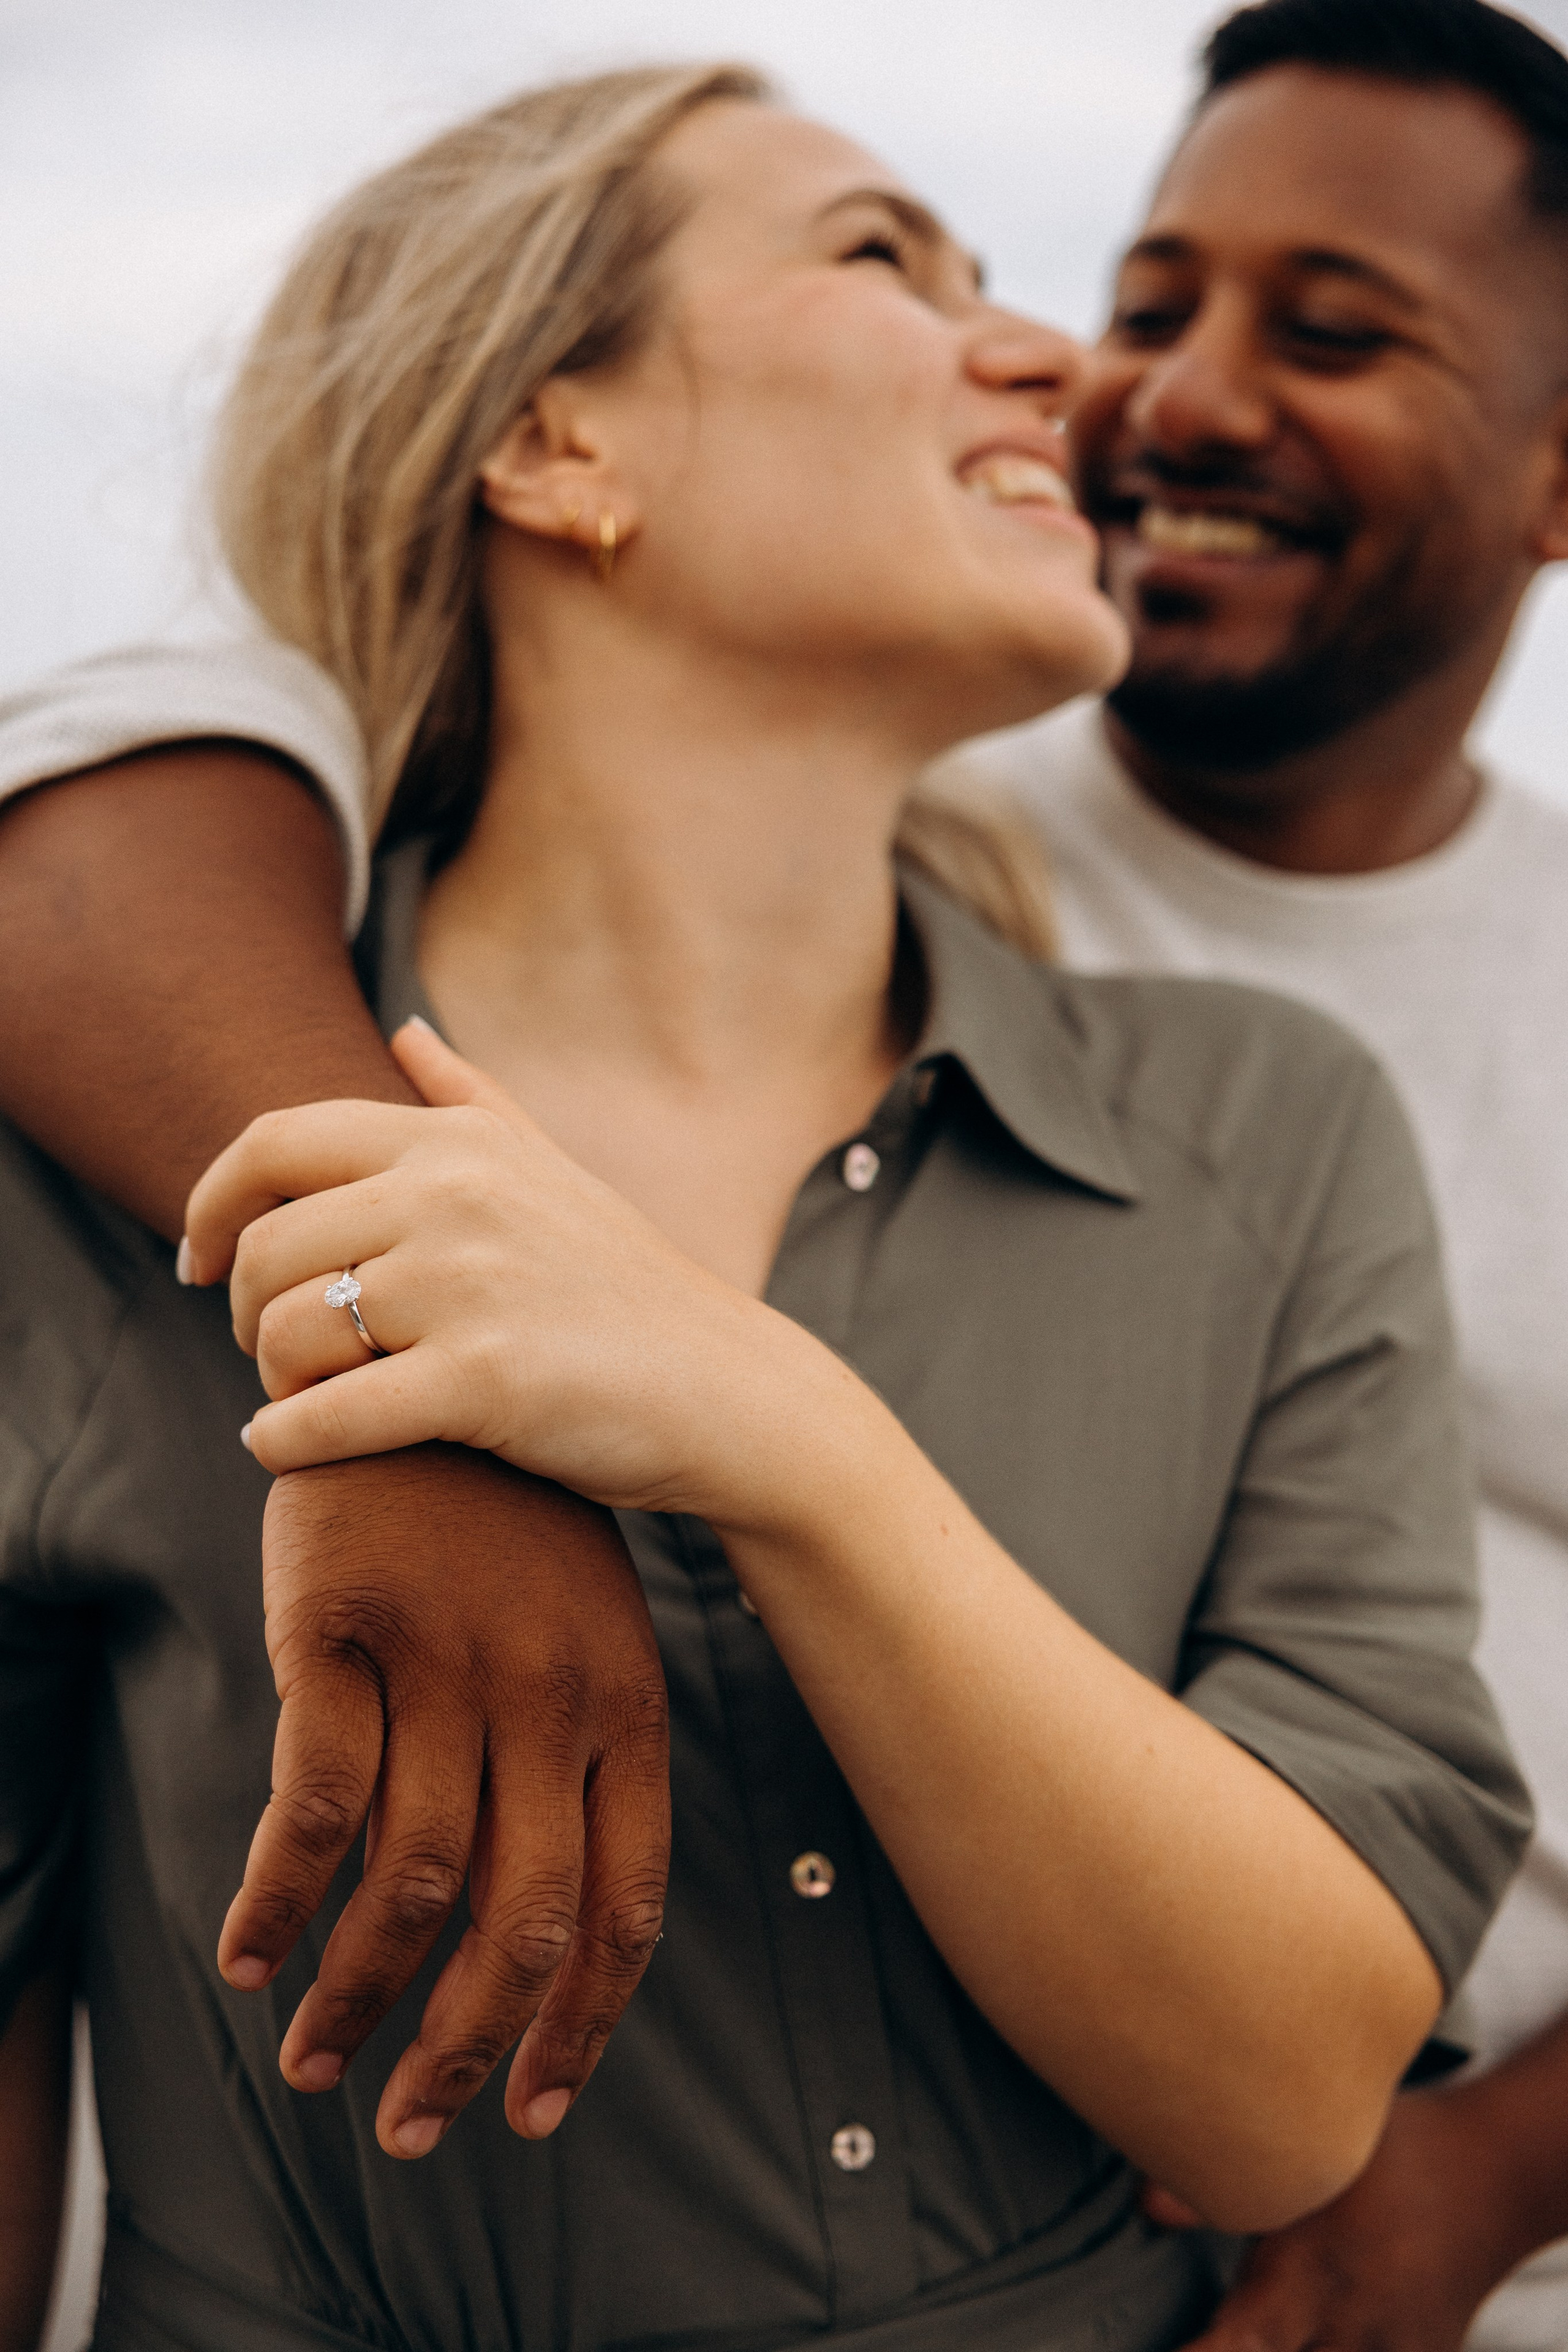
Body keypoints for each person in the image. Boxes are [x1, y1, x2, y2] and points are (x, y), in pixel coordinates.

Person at [0, 52, 1531, 2352]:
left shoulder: (1269, 1127)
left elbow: (1291, 2110)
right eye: (882, 260)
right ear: (553, 442)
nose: (1066, 366)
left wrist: (780, 1436)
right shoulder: (122, 1087)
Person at [926, 3, 1568, 2346]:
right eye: (1147, 302)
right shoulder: (867, 823)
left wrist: (1472, 2187)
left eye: (1335, 334)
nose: (1180, 404)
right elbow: (136, 791)